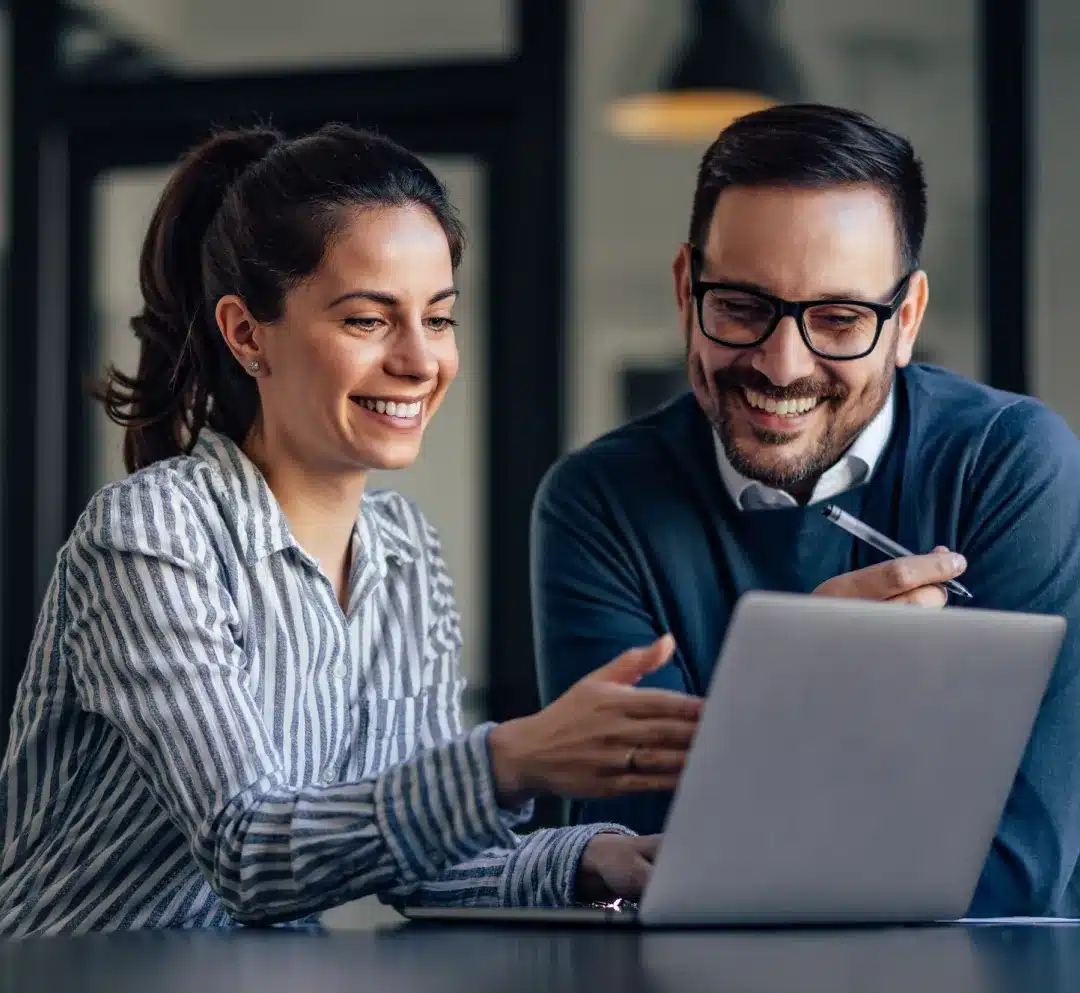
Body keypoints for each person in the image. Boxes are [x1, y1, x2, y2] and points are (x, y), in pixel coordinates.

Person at [0, 124, 703, 936]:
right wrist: (511, 759)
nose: (419, 360)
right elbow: (250, 852)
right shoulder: (150, 536)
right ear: (245, 333)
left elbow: (421, 857)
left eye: (438, 319)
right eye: (369, 320)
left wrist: (592, 861)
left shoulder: (404, 551)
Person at [531, 103, 1080, 918]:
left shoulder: (1009, 463)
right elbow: (647, 853)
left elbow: (1020, 861)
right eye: (743, 307)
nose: (783, 366)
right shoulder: (598, 504)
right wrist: (807, 687)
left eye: (838, 319)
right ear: (688, 289)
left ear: (907, 321)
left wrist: (753, 763)